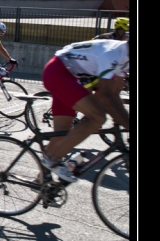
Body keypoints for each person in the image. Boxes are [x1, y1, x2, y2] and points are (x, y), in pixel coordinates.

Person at [40, 39, 129, 182]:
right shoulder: (113, 54)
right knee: (98, 117)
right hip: (58, 71)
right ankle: (53, 161)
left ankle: (41, 179)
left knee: (61, 135)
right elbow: (106, 95)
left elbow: (115, 93)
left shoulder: (125, 57)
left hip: (70, 75)